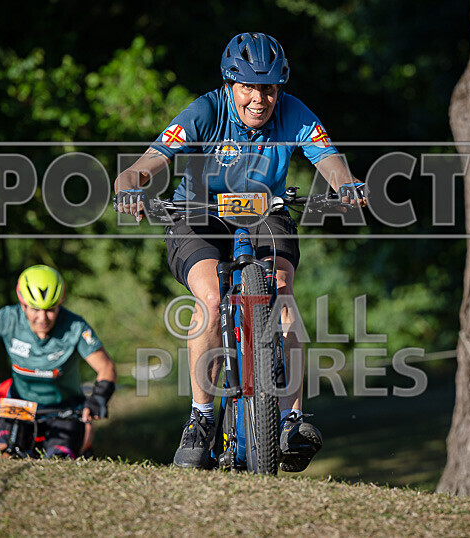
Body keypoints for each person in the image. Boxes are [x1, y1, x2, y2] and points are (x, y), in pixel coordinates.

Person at [114, 32, 366, 471]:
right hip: (198, 213)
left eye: (268, 88)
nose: (259, 98)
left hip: (266, 211)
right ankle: (201, 417)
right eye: (248, 86)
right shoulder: (205, 111)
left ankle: (291, 419)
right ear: (231, 84)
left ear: (279, 88)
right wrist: (130, 188)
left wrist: (345, 183)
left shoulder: (294, 112)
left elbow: (328, 156)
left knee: (282, 292)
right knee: (211, 299)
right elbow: (144, 164)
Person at [0, 265, 117, 458]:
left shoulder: (75, 326)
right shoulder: (7, 318)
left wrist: (99, 397)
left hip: (64, 411)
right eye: (35, 309)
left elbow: (106, 367)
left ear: (60, 304)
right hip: (18, 406)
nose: (42, 318)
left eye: (50, 310)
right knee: (3, 454)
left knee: (58, 461)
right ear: (22, 304)